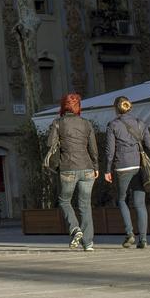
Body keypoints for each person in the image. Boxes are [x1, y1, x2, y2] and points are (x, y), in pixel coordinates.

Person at [47, 92, 98, 251]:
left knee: (64, 201)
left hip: (68, 167)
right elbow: (93, 148)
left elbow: (50, 145)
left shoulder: (58, 123)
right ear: (78, 107)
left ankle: (75, 228)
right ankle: (88, 243)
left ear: (63, 106)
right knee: (85, 205)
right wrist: (96, 166)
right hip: (88, 167)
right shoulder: (87, 123)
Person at [105, 96, 150, 249]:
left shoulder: (113, 125)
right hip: (139, 166)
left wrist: (107, 169)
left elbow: (109, 151)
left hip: (122, 166)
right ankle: (144, 239)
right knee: (140, 204)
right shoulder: (141, 123)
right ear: (130, 107)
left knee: (122, 200)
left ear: (116, 108)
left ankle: (130, 234)